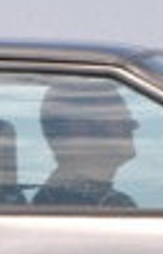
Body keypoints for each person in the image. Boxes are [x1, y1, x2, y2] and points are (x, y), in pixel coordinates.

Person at [32, 78, 138, 208]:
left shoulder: (58, 201)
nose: (134, 125)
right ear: (80, 128)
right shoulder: (68, 208)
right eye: (121, 119)